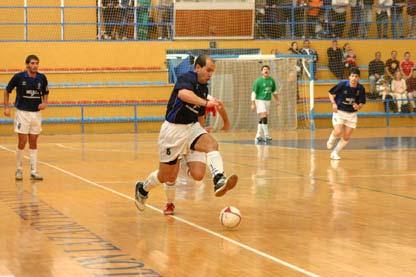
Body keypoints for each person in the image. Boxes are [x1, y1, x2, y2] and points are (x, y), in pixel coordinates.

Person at [134, 55, 238, 212]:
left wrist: (204, 130)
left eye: (212, 71)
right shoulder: (187, 78)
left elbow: (200, 116)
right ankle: (143, 188)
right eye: (208, 70)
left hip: (191, 127)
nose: (210, 74)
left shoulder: (204, 88)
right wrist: (206, 103)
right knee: (167, 176)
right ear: (197, 68)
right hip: (173, 131)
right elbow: (183, 95)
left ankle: (219, 179)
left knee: (210, 148)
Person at [163, 101, 231, 215]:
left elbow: (219, 105)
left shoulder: (203, 94)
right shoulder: (183, 91)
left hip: (195, 136)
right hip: (176, 135)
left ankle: (216, 177)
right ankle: (169, 203)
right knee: (170, 175)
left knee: (198, 175)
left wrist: (226, 123)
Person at [3, 55, 49, 180]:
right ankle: (19, 170)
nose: (35, 65)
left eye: (37, 63)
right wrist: (6, 107)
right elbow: (7, 91)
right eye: (33, 63)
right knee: (22, 142)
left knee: (34, 141)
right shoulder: (19, 77)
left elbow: (46, 92)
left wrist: (44, 103)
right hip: (22, 113)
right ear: (27, 64)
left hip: (36, 114)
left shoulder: (42, 78)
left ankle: (33, 171)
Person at [326, 67, 366, 160]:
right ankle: (331, 140)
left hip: (351, 114)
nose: (354, 78)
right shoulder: (342, 84)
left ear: (358, 78)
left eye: (356, 76)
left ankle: (335, 152)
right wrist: (333, 103)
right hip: (339, 112)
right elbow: (330, 93)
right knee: (338, 131)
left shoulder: (360, 88)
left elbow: (362, 102)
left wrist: (358, 106)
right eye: (352, 76)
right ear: (349, 77)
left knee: (347, 136)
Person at [251, 65, 280, 142]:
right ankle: (266, 135)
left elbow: (274, 91)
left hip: (268, 101)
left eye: (267, 69)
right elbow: (253, 93)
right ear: (262, 72)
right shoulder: (258, 81)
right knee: (264, 116)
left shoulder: (271, 80)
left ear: (269, 71)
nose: (266, 70)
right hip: (260, 100)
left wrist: (277, 100)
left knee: (262, 118)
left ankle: (258, 136)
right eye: (264, 69)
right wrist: (253, 103)